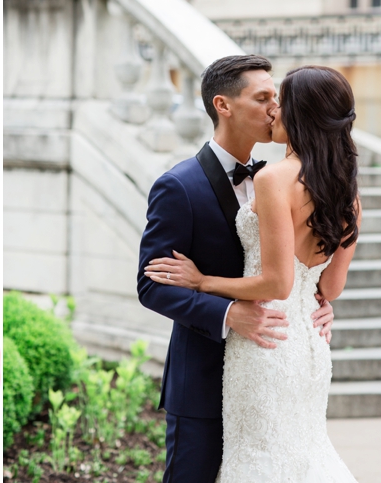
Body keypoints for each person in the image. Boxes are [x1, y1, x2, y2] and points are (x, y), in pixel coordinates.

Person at [144, 65, 360, 482]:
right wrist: (228, 313)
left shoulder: (272, 177)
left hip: (271, 356)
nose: (274, 109)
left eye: (279, 100)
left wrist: (204, 281)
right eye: (264, 99)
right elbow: (151, 286)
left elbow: (291, 282)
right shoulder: (179, 185)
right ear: (223, 106)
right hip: (210, 376)